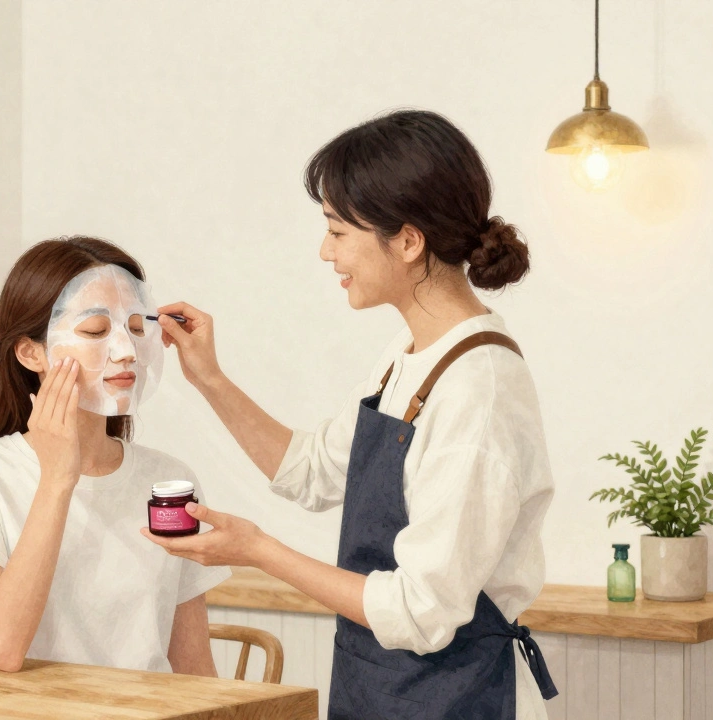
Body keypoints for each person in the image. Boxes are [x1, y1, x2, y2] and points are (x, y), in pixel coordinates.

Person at [143, 110, 558, 719]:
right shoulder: (410, 356)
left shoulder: (480, 388)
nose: (324, 251)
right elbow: (311, 470)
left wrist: (259, 550)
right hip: (383, 691)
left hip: (459, 700)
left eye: (338, 231)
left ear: (409, 241)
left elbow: (421, 610)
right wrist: (208, 378)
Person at [0, 237, 230, 674]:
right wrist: (57, 481)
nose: (125, 351)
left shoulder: (169, 480)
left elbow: (194, 669)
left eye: (136, 329)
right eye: (95, 332)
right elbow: (3, 648)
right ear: (31, 353)